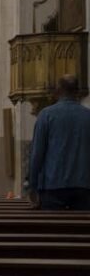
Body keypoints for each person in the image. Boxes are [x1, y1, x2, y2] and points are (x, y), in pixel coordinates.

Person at [29, 74, 90, 210]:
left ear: (58, 90)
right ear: (77, 91)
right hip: (83, 186)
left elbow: (37, 154)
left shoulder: (46, 115)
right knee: (82, 230)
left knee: (52, 228)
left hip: (53, 186)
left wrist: (32, 186)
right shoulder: (87, 116)